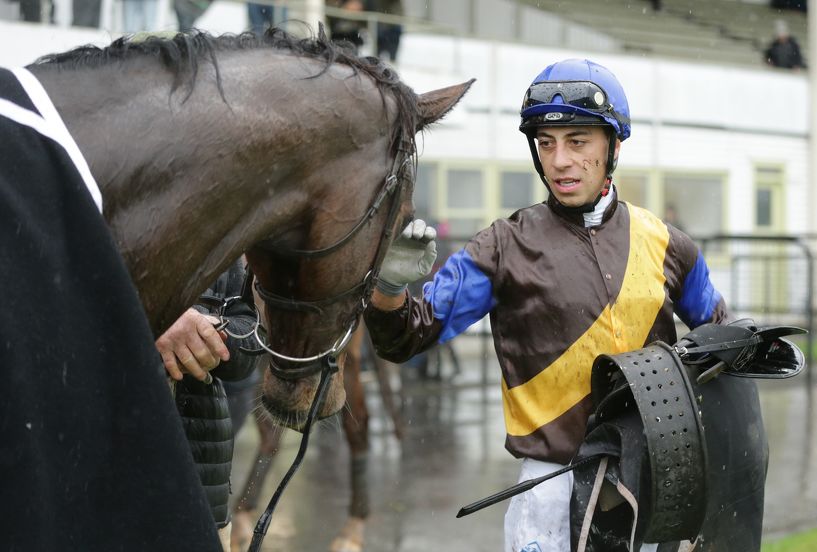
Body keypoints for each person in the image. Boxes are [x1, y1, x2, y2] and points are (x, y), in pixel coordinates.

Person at [364, 59, 731, 551]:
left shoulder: (670, 244)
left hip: (656, 484)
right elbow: (405, 337)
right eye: (546, 143)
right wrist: (388, 286)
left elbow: (719, 338)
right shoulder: (500, 246)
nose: (559, 160)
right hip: (550, 499)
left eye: (578, 141)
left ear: (614, 146)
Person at [156, 258, 259, 549]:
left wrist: (212, 333)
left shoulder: (221, 229)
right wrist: (159, 320)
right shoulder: (95, 216)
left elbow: (250, 335)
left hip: (202, 490)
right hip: (98, 482)